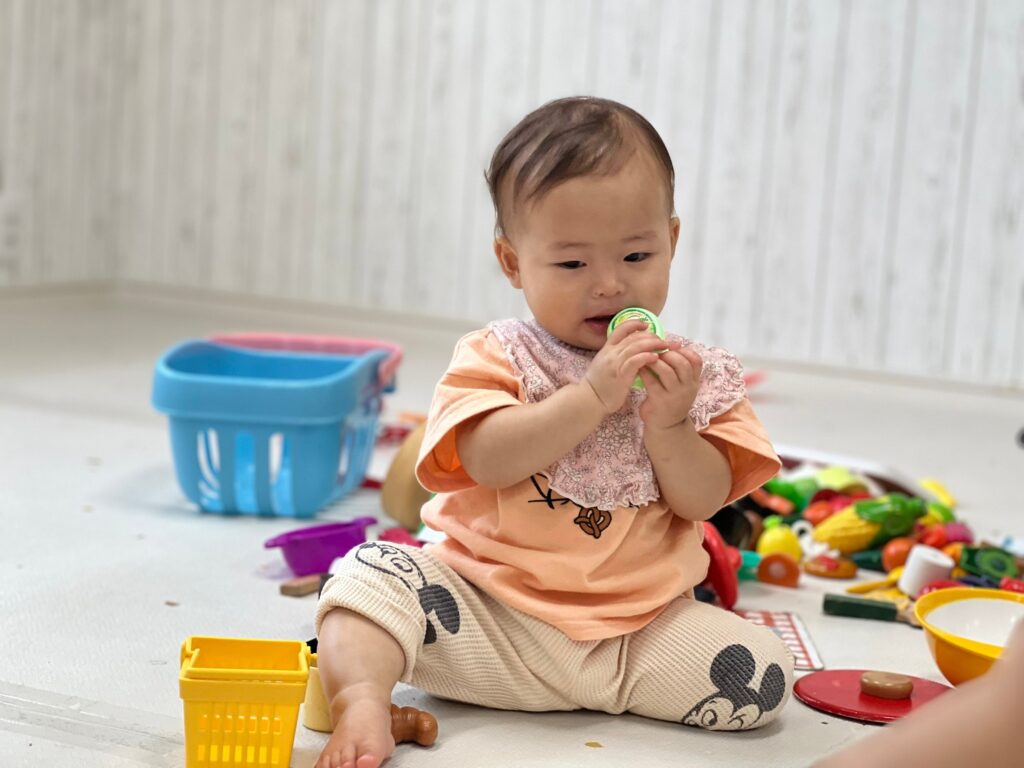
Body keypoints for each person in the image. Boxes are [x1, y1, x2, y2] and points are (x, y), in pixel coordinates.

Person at [313, 96, 794, 768]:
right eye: (572, 265)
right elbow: (487, 458)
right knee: (366, 576)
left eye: (636, 254)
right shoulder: (499, 354)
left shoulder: (694, 375)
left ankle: (603, 688)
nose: (609, 284)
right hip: (482, 612)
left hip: (637, 632)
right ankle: (363, 701)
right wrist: (591, 396)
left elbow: (702, 500)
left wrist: (672, 426)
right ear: (513, 263)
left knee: (765, 673)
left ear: (673, 241)